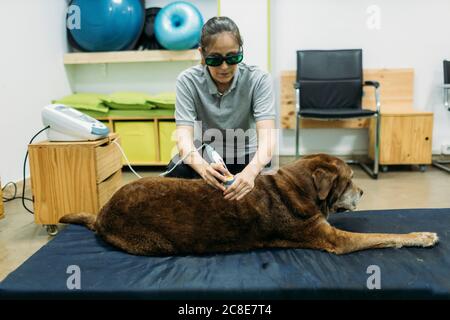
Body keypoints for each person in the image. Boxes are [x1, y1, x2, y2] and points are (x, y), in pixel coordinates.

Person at [164, 16, 276, 201]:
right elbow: (184, 140)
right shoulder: (188, 81)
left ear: (241, 51)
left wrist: (250, 173)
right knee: (173, 177)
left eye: (233, 58)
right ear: (202, 54)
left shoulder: (258, 79)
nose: (224, 67)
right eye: (215, 60)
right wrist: (203, 168)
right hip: (208, 155)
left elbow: (268, 140)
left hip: (247, 155)